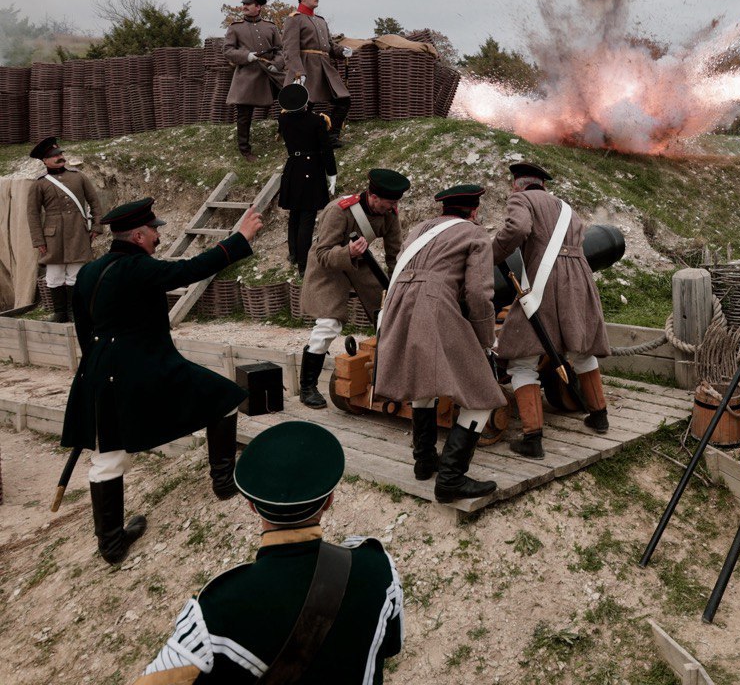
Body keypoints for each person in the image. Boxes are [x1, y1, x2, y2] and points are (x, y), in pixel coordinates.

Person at [61, 198, 263, 564]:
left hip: (98, 370)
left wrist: (97, 366)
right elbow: (190, 270)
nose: (158, 236)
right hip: (145, 369)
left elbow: (83, 328)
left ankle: (111, 545)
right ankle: (223, 483)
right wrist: (239, 239)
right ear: (138, 236)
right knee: (225, 397)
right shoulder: (138, 268)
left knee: (107, 457)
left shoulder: (89, 271)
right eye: (154, 231)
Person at [132, 421, 403, 684]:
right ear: (329, 501)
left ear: (252, 506)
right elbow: (390, 647)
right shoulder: (380, 569)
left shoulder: (215, 611)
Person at [374, 184, 503, 502]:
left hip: (397, 308)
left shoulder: (418, 230)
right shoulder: (474, 233)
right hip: (434, 306)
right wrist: (485, 340)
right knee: (483, 396)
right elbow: (478, 294)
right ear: (474, 211)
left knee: (423, 381)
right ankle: (451, 479)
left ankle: (424, 461)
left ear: (443, 209)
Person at [492, 162, 610, 459]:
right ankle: (599, 416)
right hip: (579, 279)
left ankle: (532, 438)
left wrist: (492, 253)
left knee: (521, 359)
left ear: (517, 185)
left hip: (546, 281)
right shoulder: (566, 208)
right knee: (582, 349)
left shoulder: (521, 199)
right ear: (543, 185)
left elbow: (518, 228)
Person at [297, 169, 406, 409]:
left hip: (359, 262)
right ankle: (308, 387)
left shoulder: (389, 213)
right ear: (374, 197)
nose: (393, 207)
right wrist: (348, 252)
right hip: (329, 266)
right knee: (329, 324)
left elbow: (395, 254)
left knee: (388, 314)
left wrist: (397, 285)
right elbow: (323, 253)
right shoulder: (339, 211)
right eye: (390, 203)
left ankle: (389, 374)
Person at [26, 136, 103, 323]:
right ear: (45, 160)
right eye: (54, 155)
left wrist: (97, 226)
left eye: (60, 153)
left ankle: (74, 312)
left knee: (76, 274)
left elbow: (94, 202)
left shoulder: (78, 177)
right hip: (53, 236)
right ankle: (60, 313)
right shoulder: (40, 183)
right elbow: (33, 214)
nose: (59, 157)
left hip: (78, 231)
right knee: (54, 275)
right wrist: (38, 240)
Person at [280, 0, 352, 148]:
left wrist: (342, 51)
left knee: (343, 100)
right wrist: (298, 72)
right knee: (305, 106)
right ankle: (301, 140)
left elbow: (329, 46)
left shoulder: (320, 20)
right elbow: (290, 49)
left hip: (324, 67)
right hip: (306, 67)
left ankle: (331, 137)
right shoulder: (294, 19)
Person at [276, 82, 336, 276]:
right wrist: (332, 173)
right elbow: (326, 149)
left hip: (293, 168)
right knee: (307, 217)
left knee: (294, 214)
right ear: (306, 101)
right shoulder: (317, 121)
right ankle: (304, 265)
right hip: (311, 168)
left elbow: (296, 112)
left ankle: (294, 254)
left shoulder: (283, 119)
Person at [222, 0, 284, 161]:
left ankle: (286, 133)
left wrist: (277, 65)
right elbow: (227, 51)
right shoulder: (235, 27)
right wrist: (246, 56)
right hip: (247, 76)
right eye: (244, 4)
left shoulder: (270, 27)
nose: (245, 7)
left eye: (249, 4)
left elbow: (280, 50)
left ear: (258, 7)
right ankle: (245, 150)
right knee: (244, 115)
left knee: (291, 99)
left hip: (270, 75)